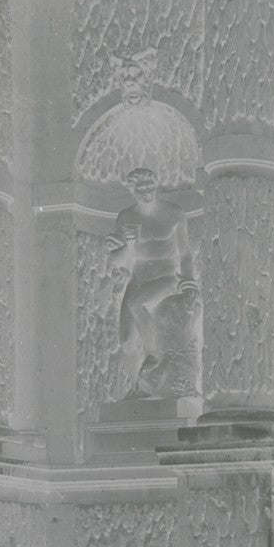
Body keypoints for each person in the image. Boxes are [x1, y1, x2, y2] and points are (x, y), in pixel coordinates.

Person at [106, 167, 200, 396]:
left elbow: (185, 253)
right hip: (138, 279)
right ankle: (138, 391)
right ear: (132, 190)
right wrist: (128, 245)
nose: (148, 190)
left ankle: (152, 353)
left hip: (166, 278)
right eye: (142, 186)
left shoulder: (174, 213)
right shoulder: (126, 218)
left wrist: (188, 281)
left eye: (151, 185)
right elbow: (118, 262)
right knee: (126, 341)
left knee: (136, 302)